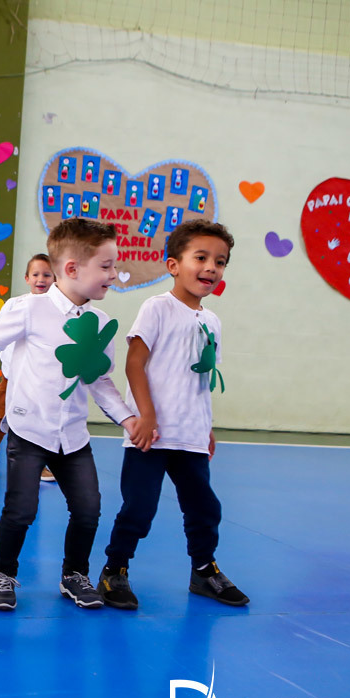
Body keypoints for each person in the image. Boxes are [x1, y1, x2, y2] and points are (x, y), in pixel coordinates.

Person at [0, 218, 137, 611]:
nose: (113, 274)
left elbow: (99, 380)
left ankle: (74, 575)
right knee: (21, 510)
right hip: (29, 431)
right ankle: (3, 574)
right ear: (72, 268)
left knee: (88, 509)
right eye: (106, 266)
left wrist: (127, 418)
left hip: (73, 436)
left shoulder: (101, 325)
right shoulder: (28, 309)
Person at [97, 219, 250, 609]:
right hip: (151, 435)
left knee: (205, 509)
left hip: (191, 435)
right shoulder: (158, 308)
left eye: (220, 261)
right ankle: (114, 569)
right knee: (139, 508)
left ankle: (204, 571)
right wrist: (145, 416)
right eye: (201, 258)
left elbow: (199, 379)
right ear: (173, 265)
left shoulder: (211, 321)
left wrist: (206, 426)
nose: (211, 267)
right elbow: (135, 363)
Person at [0, 254, 57, 484]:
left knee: (38, 420)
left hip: (41, 379)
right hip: (13, 376)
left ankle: (38, 464)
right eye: (36, 274)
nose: (41, 279)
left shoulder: (58, 309)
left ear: (56, 279)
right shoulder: (15, 305)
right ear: (27, 278)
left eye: (47, 275)